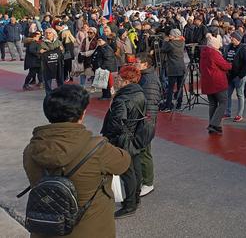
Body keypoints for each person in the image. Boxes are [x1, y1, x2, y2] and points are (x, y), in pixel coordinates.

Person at [23, 85, 131, 237]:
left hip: (48, 228)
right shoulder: (98, 149)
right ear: (82, 114)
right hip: (92, 230)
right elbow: (124, 162)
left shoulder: (31, 150)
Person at [100, 65, 147, 218]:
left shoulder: (123, 98)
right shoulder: (139, 92)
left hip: (124, 139)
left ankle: (130, 204)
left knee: (127, 172)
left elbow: (117, 122)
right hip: (135, 136)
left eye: (120, 78)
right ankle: (135, 198)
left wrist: (108, 137)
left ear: (127, 81)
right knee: (136, 168)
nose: (117, 80)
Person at [136, 52, 162, 197]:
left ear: (145, 64)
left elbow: (151, 103)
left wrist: (146, 122)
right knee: (140, 151)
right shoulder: (143, 77)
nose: (134, 64)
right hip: (141, 120)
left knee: (144, 152)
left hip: (145, 121)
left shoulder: (149, 80)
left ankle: (148, 183)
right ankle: (142, 179)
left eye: (137, 62)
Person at [199, 33, 231, 134]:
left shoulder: (204, 52)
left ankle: (212, 125)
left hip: (207, 82)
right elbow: (225, 66)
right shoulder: (214, 53)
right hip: (217, 82)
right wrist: (231, 64)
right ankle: (214, 124)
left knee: (213, 104)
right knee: (223, 102)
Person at [225, 31, 246, 122]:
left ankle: (239, 114)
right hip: (229, 75)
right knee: (227, 94)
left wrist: (240, 75)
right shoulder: (228, 47)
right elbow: (225, 58)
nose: (231, 39)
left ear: (238, 38)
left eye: (233, 37)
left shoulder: (243, 48)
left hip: (239, 76)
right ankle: (227, 112)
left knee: (240, 95)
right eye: (231, 37)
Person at [160, 28, 186, 111]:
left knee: (170, 88)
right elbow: (181, 38)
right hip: (181, 67)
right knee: (180, 87)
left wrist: (165, 41)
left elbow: (163, 49)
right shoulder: (182, 42)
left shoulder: (170, 44)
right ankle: (179, 104)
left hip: (173, 68)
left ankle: (168, 105)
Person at [40, 28, 65, 95]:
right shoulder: (42, 42)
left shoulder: (58, 42)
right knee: (47, 79)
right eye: (46, 33)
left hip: (58, 63)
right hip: (47, 64)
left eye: (49, 33)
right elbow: (40, 52)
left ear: (53, 34)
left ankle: (61, 93)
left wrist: (61, 50)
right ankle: (48, 94)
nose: (47, 34)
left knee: (60, 79)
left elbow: (62, 52)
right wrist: (41, 52)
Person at [92, 35, 117, 100]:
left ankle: (107, 96)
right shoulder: (100, 47)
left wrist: (102, 67)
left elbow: (108, 60)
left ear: (104, 41)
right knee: (103, 83)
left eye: (100, 40)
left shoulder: (107, 48)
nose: (99, 41)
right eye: (98, 40)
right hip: (100, 68)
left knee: (105, 83)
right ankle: (105, 95)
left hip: (105, 68)